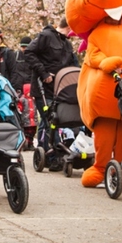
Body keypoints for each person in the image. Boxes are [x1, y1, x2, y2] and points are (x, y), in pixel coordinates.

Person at [25, 18, 79, 171]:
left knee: (53, 121)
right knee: (50, 120)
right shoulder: (46, 36)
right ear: (68, 27)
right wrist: (43, 73)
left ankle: (48, 152)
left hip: (61, 90)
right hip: (44, 88)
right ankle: (54, 156)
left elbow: (73, 64)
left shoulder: (67, 44)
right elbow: (29, 52)